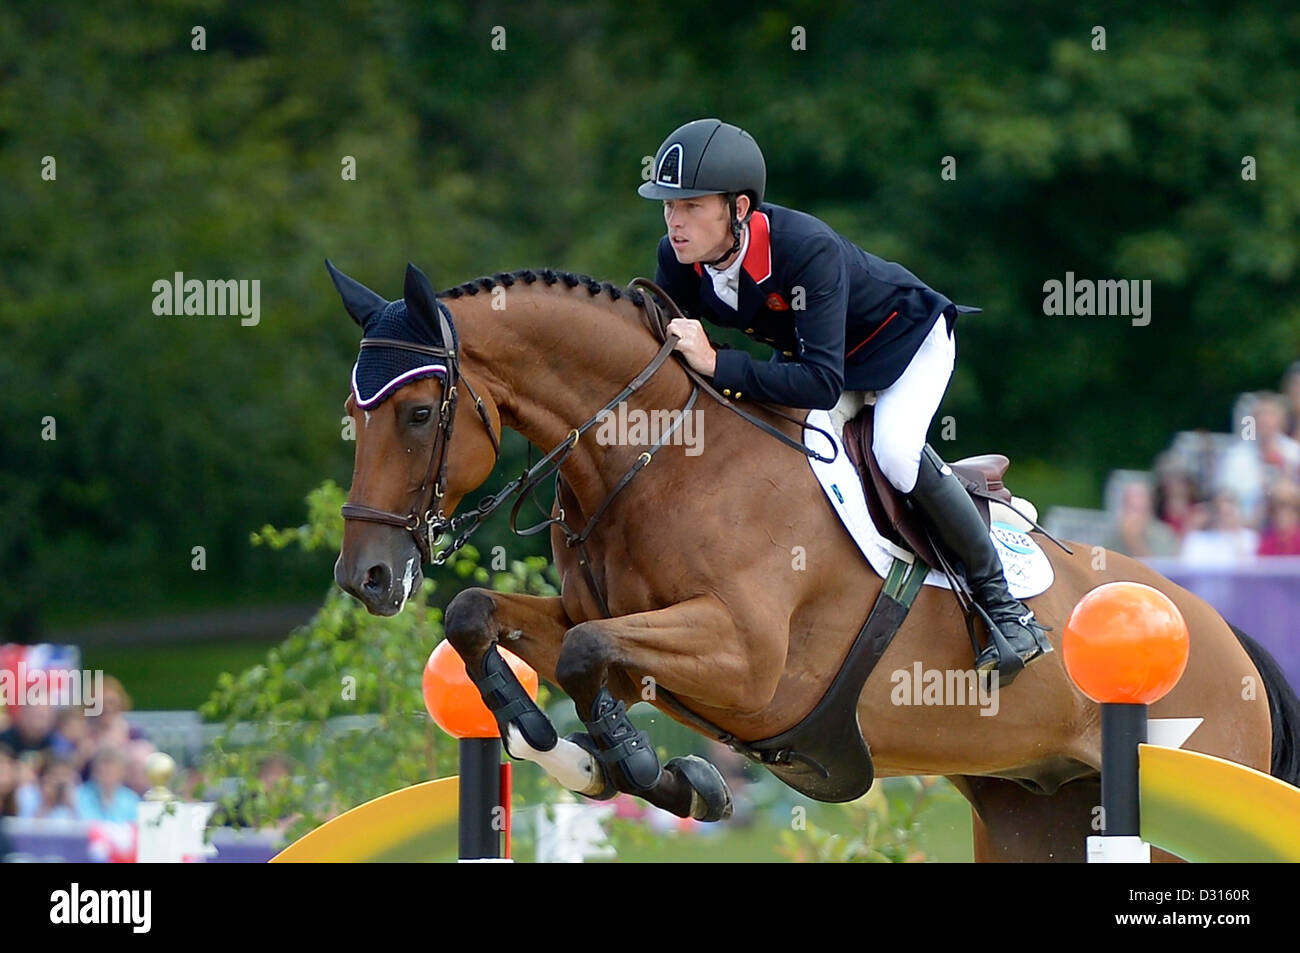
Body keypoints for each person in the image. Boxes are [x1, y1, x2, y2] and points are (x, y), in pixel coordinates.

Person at [640, 118, 1049, 677]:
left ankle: (1004, 609)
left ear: (738, 208)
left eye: (690, 205)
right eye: (668, 205)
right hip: (819, 356)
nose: (674, 221)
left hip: (904, 346)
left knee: (894, 453)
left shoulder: (805, 250)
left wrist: (719, 362)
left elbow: (819, 382)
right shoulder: (679, 260)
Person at [74, 747, 141, 823]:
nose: (107, 776)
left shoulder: (130, 799)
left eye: (112, 772)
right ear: (94, 771)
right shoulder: (77, 796)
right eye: (102, 771)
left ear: (122, 773)